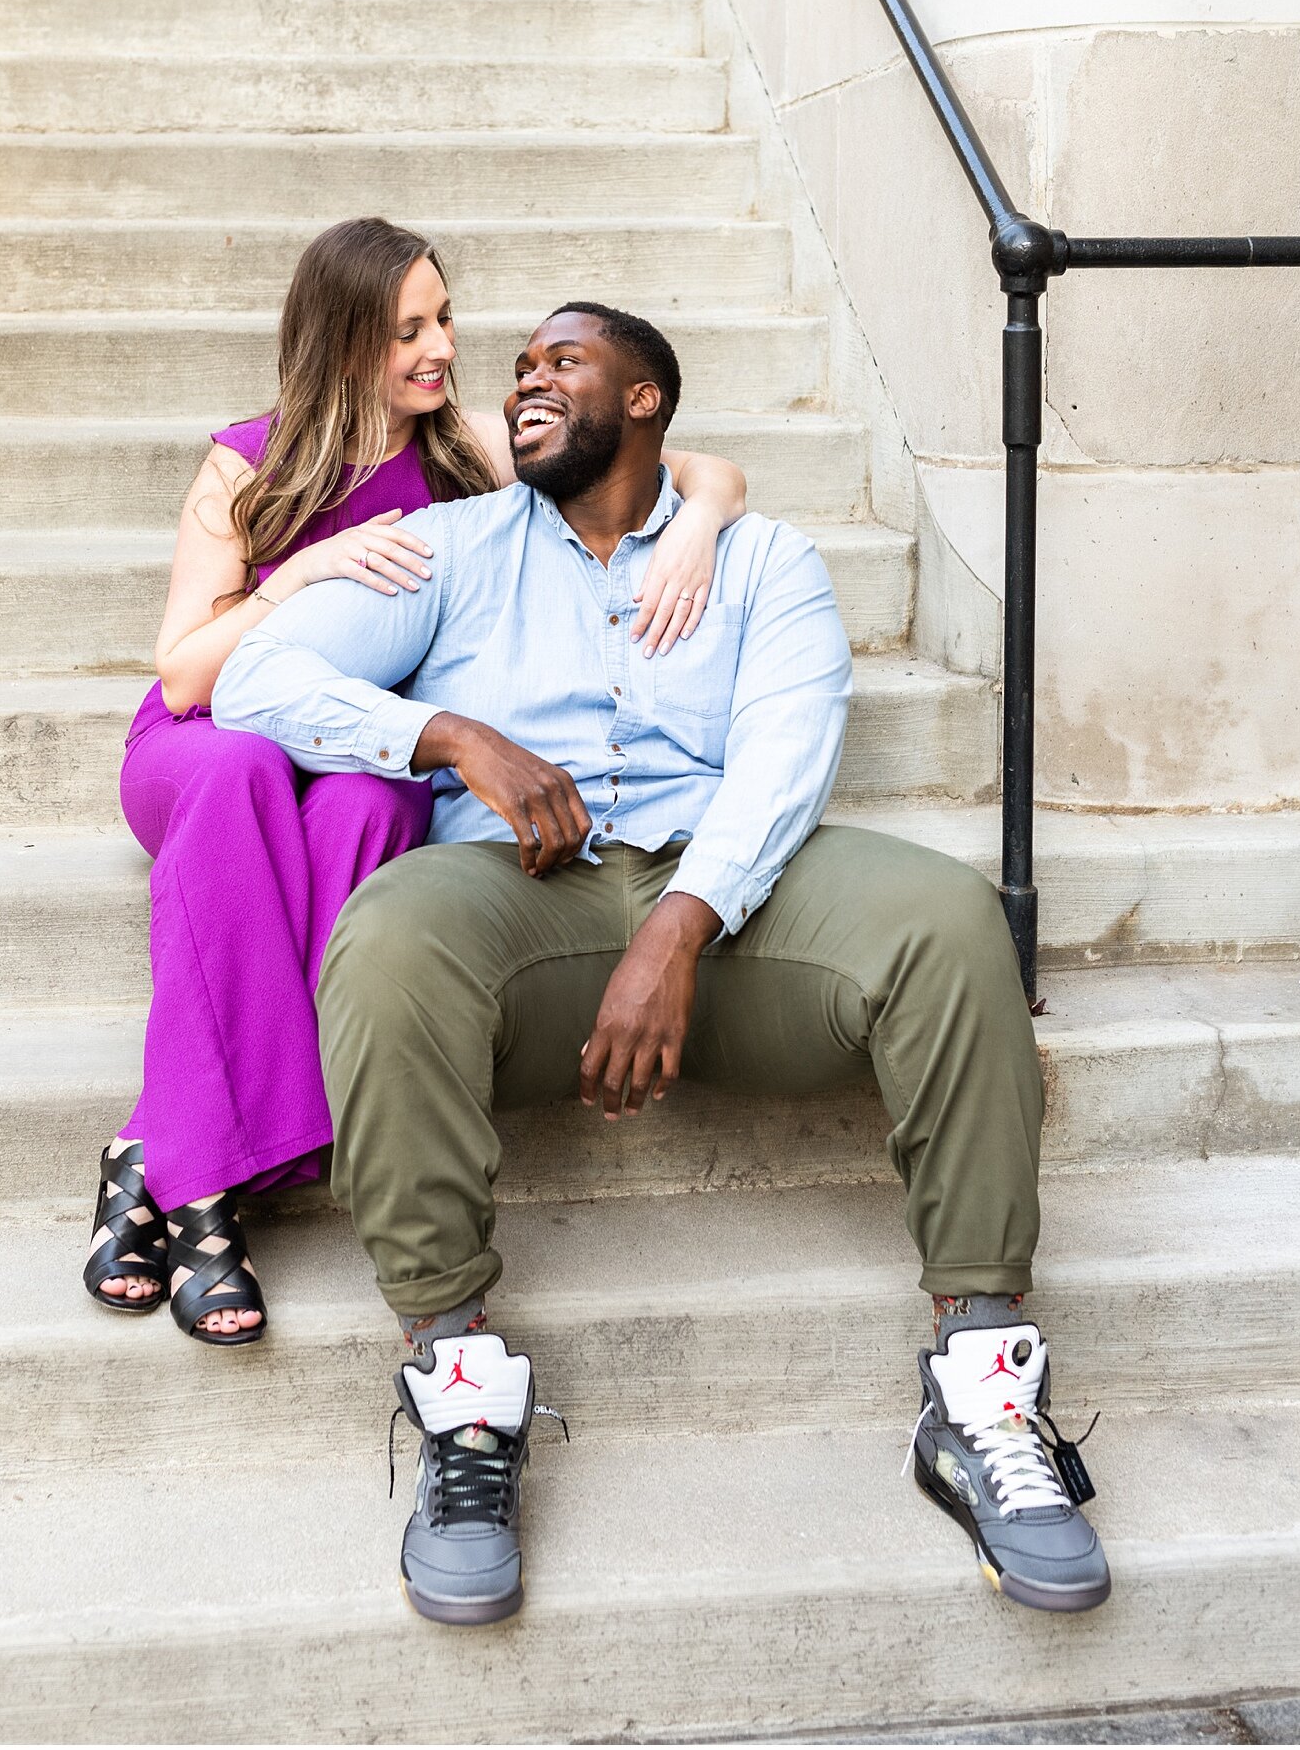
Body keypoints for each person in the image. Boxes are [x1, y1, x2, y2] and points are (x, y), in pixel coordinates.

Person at [211, 300, 1111, 1618]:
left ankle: (982, 1377)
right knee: (391, 931)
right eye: (515, 368)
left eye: (559, 363)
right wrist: (450, 736)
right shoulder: (449, 549)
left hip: (731, 902)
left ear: (645, 400)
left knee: (946, 917)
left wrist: (682, 924)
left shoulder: (763, 561)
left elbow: (788, 755)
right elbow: (253, 679)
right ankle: (459, 1388)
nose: (522, 381)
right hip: (529, 898)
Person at [85, 222, 749, 1345]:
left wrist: (705, 528)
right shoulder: (250, 460)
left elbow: (699, 465)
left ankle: (148, 1154)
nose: (438, 348)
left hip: (358, 744)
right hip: (213, 746)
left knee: (381, 803)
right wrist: (292, 576)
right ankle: (199, 1192)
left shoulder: (470, 447)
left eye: (443, 319)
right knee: (245, 771)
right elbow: (189, 672)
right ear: (344, 343)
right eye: (406, 331)